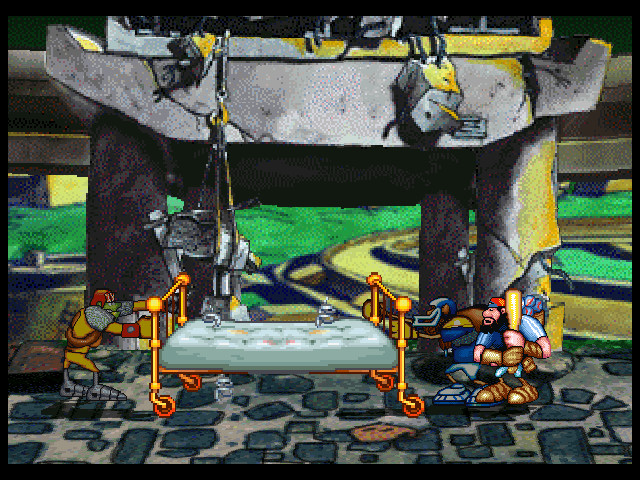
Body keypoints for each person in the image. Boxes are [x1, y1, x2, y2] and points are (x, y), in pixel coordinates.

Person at [61, 289, 154, 401]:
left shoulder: (102, 310)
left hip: (85, 351)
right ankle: (93, 388)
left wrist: (149, 304)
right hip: (78, 354)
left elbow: (125, 307)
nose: (112, 306)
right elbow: (117, 329)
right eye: (109, 304)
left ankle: (73, 385)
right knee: (94, 369)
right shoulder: (93, 315)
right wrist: (139, 329)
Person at [471, 296, 551, 405]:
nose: (485, 313)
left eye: (491, 310)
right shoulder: (490, 327)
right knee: (485, 386)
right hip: (502, 372)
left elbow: (545, 351)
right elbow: (477, 355)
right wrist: (501, 358)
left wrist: (523, 345)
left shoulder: (526, 322)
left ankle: (527, 388)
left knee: (520, 391)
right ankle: (503, 388)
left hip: (526, 371)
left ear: (503, 311)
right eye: (487, 309)